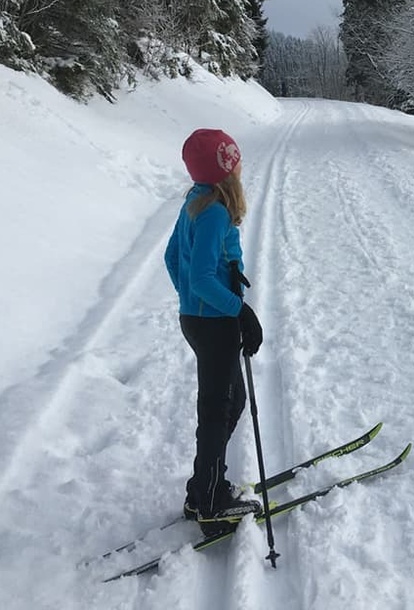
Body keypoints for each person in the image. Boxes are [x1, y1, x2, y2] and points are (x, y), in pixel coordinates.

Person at [164, 128, 265, 533]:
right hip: (214, 324)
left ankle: (203, 488)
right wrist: (238, 311)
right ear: (226, 168)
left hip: (199, 320)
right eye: (234, 160)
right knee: (218, 409)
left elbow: (172, 258)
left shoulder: (196, 200)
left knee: (228, 402)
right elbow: (203, 277)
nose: (240, 166)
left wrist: (192, 302)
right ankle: (209, 501)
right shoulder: (214, 212)